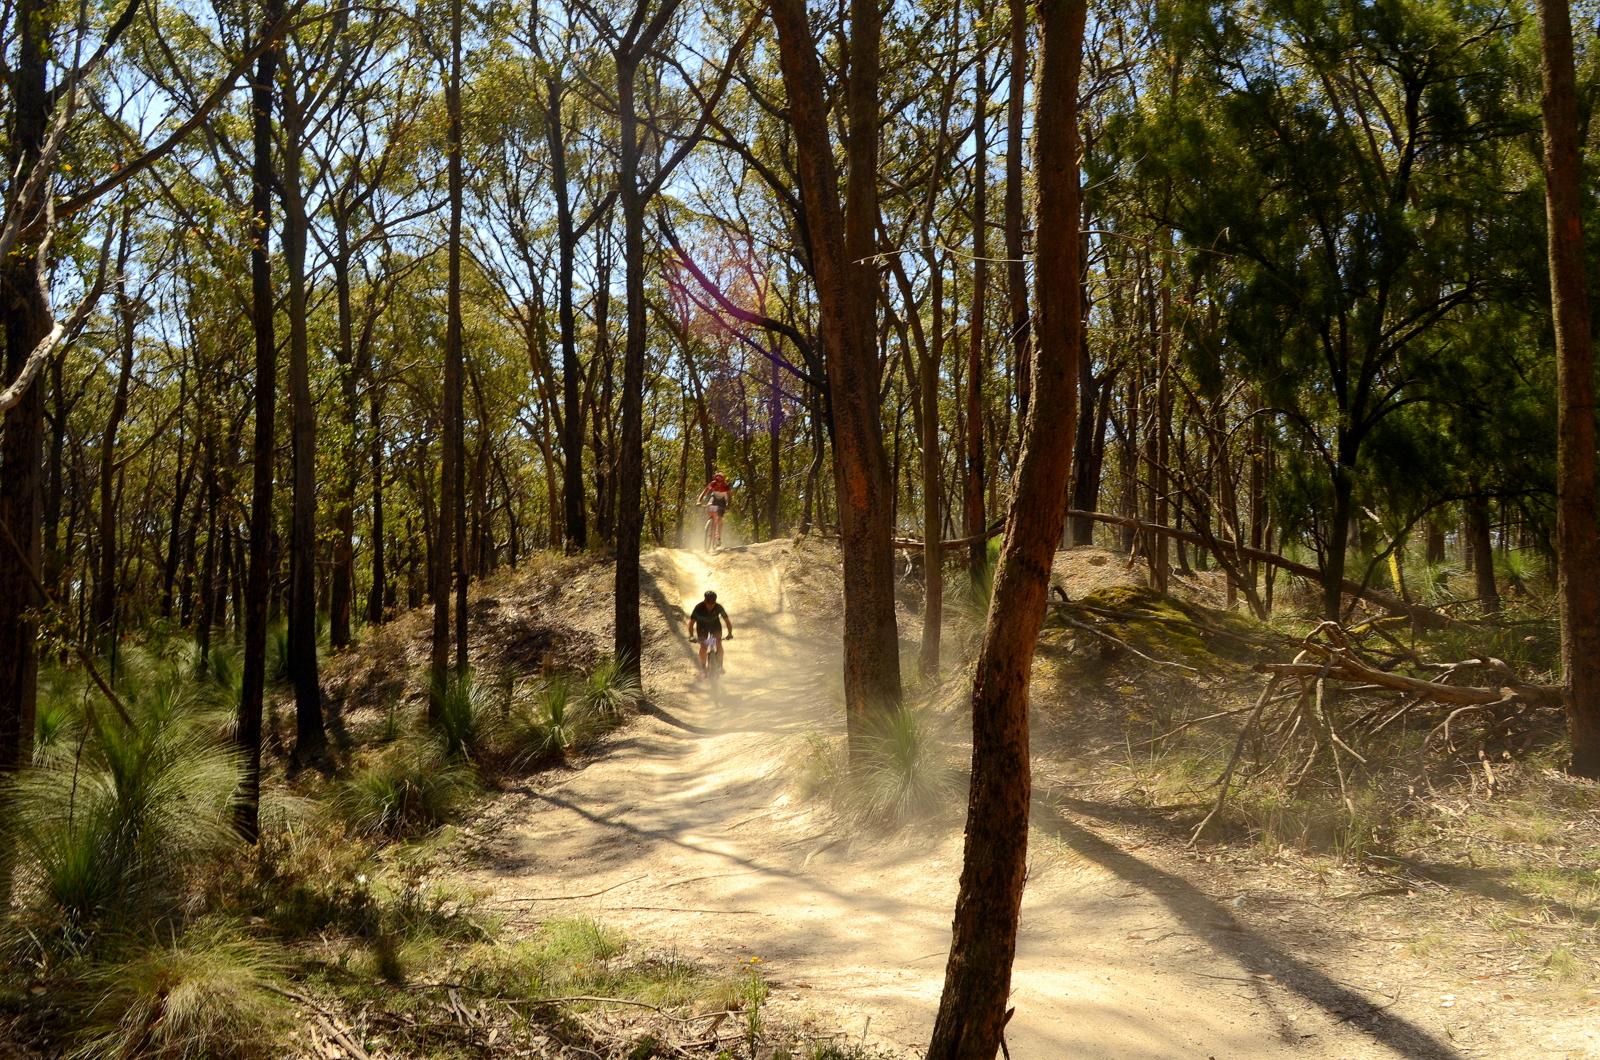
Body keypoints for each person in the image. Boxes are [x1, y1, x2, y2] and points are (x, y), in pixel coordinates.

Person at [686, 590, 733, 678]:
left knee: (718, 643)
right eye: (708, 603)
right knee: (704, 647)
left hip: (715, 626)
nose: (710, 605)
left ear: (715, 601)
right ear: (705, 601)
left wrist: (730, 633)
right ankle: (703, 669)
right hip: (702, 628)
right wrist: (691, 636)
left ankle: (720, 666)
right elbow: (691, 623)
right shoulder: (698, 607)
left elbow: (727, 620)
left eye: (713, 603)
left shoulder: (719, 607)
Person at [696, 472, 733, 549]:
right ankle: (711, 520)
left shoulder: (726, 486)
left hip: (722, 500)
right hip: (714, 498)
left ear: (723, 481)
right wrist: (699, 501)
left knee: (719, 518)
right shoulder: (713, 484)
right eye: (717, 481)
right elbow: (704, 492)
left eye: (720, 482)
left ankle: (718, 538)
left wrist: (728, 505)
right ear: (715, 480)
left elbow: (729, 497)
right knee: (710, 506)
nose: (718, 483)